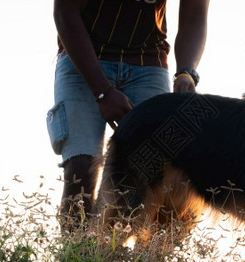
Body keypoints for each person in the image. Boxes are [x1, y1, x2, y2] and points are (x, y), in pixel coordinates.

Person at [49, 0, 209, 231]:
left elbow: (194, 17)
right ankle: (75, 260)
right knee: (81, 167)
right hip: (83, 55)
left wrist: (186, 72)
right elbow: (65, 14)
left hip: (148, 63)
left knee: (155, 173)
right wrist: (103, 92)